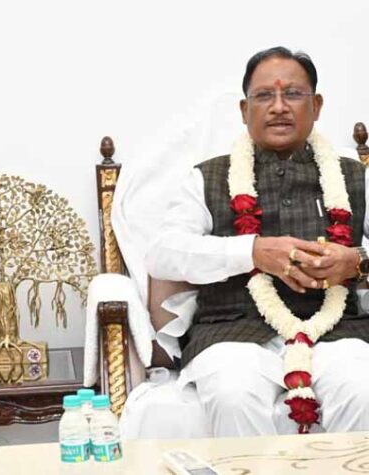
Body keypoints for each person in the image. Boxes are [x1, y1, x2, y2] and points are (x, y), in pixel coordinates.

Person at [146, 46, 369, 437]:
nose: (278, 107)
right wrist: (251, 252)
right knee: (233, 393)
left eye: (293, 94)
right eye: (264, 95)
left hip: (338, 332)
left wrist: (357, 261)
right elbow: (163, 254)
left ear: (316, 106)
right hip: (232, 334)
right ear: (244, 109)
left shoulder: (354, 175)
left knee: (361, 388)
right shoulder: (206, 177)